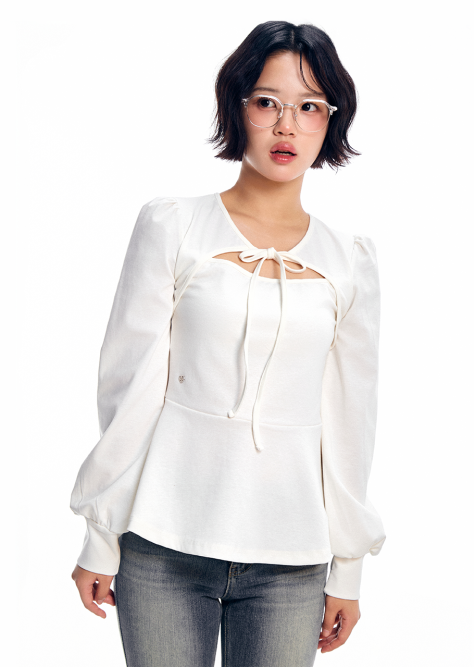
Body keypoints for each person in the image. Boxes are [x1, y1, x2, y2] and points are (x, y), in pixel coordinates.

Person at [70, 20, 386, 667]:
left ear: (331, 121)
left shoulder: (349, 261)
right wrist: (101, 532)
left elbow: (350, 419)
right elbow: (130, 387)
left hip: (291, 558)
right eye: (267, 101)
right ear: (237, 107)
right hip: (163, 544)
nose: (287, 125)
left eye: (309, 107)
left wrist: (348, 567)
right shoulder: (174, 226)